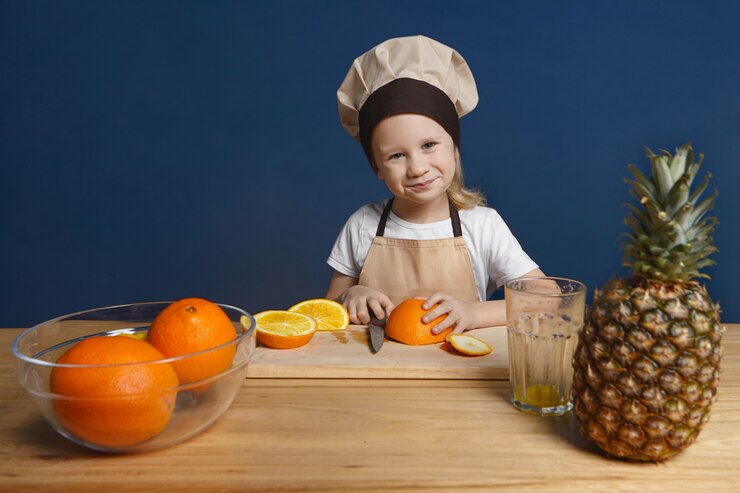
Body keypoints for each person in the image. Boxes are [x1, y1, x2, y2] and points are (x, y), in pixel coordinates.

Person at [326, 35, 544, 335]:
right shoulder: (361, 225)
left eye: (429, 145)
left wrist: (474, 313)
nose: (417, 168)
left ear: (454, 148)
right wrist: (350, 297)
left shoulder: (482, 226)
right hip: (379, 376)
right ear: (377, 166)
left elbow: (547, 299)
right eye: (397, 155)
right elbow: (326, 313)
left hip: (462, 376)